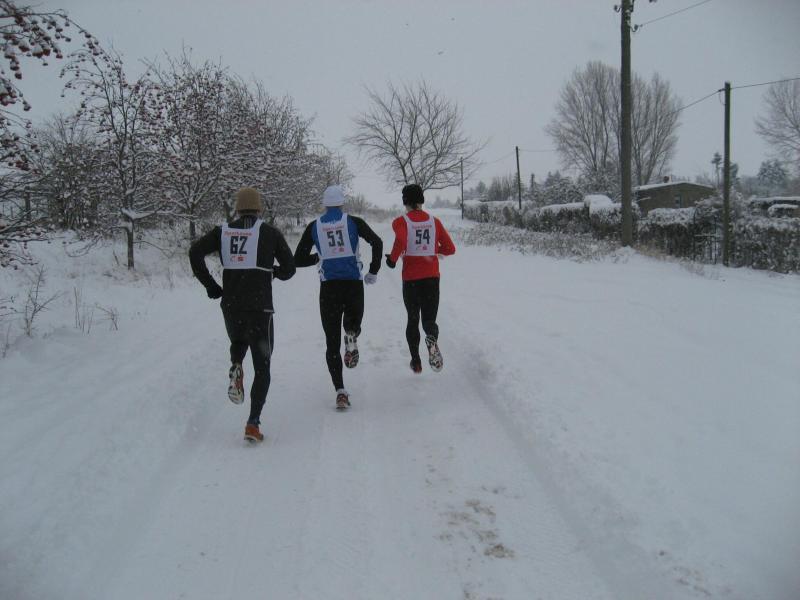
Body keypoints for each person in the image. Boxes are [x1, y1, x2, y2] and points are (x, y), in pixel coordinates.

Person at [189, 187, 295, 442]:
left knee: (238, 339)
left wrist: (211, 286)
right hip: (260, 308)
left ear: (237, 209)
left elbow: (194, 252)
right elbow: (290, 269)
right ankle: (253, 423)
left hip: (231, 305)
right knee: (262, 367)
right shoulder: (269, 233)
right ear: (259, 208)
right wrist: (273, 272)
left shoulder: (222, 232)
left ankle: (236, 364)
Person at [293, 185, 383, 410]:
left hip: (329, 288)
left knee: (331, 342)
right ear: (342, 203)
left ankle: (340, 391)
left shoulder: (314, 226)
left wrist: (319, 258)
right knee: (353, 322)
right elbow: (377, 242)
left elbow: (297, 259)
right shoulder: (354, 222)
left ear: (324, 204)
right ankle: (351, 333)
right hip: (353, 284)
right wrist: (373, 270)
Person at [385, 183, 456, 374]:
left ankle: (416, 361)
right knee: (429, 320)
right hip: (431, 278)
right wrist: (431, 249)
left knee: (413, 319)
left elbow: (401, 240)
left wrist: (392, 260)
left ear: (405, 202)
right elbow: (450, 248)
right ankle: (431, 337)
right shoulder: (434, 222)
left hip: (411, 280)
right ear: (421, 201)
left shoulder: (401, 222)